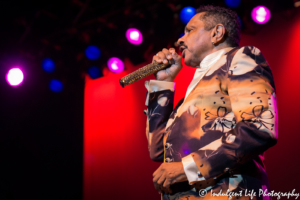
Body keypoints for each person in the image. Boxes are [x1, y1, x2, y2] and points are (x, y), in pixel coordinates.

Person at [144, 5, 278, 200]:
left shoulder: (240, 57)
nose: (180, 39)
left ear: (217, 33)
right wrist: (163, 83)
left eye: (189, 30)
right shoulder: (187, 99)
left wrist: (188, 168)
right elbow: (158, 150)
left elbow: (259, 128)